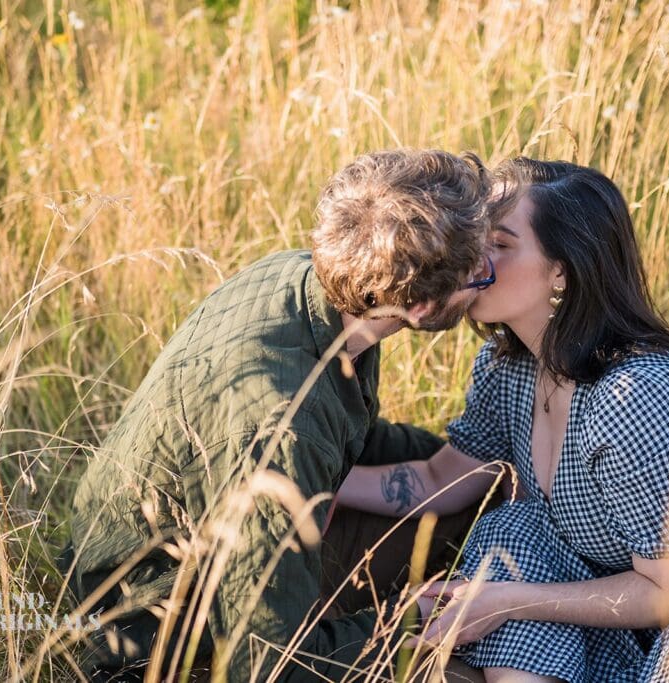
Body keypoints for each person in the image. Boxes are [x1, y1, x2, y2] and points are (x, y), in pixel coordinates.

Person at [335, 158, 669, 682]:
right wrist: (321, 487)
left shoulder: (636, 398)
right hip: (627, 603)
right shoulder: (508, 369)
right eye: (476, 237)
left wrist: (507, 602)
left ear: (561, 270)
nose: (474, 258)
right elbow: (438, 479)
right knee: (513, 534)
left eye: (500, 243)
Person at [64, 149, 502, 682]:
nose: (488, 277)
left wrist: (467, 465)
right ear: (419, 308)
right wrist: (412, 617)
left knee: (475, 503)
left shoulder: (313, 285)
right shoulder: (282, 430)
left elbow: (348, 435)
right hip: (160, 644)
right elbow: (270, 663)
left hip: (213, 563)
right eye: (477, 272)